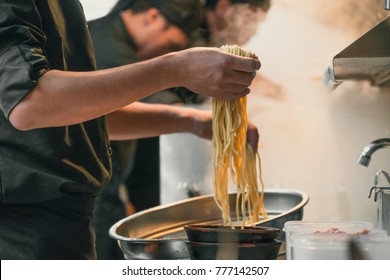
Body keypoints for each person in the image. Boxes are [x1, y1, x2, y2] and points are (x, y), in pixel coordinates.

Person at [0, 0, 260, 260]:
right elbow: (30, 102)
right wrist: (176, 68)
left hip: (62, 221)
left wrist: (191, 120)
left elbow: (77, 112)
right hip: (20, 230)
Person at [87, 0, 206, 260]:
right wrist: (200, 118)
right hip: (91, 196)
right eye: (173, 46)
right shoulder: (107, 46)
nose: (166, 53)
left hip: (104, 188)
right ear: (152, 17)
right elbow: (151, 102)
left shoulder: (112, 36)